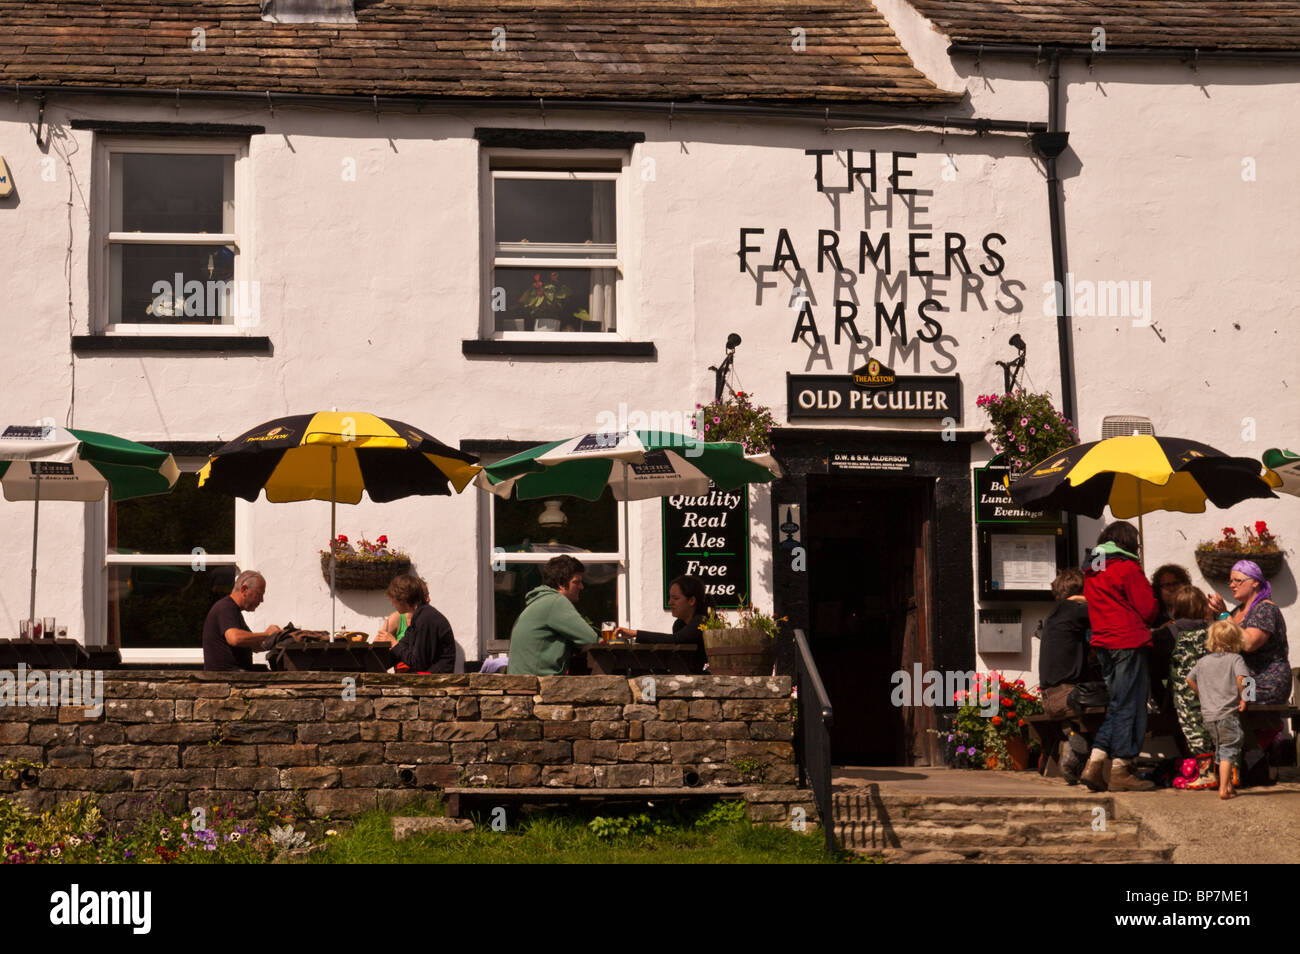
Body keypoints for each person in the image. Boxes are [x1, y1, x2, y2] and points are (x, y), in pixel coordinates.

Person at [1080, 521, 1161, 792]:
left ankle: (1095, 762)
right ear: (1128, 542)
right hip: (1128, 640)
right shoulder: (1127, 567)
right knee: (1130, 705)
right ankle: (1121, 768)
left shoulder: (1092, 568)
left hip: (1103, 642)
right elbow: (1148, 610)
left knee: (1118, 703)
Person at [1209, 559, 1291, 762]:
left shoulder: (1265, 609)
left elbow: (1248, 643)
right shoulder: (1237, 611)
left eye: (1237, 580)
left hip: (1266, 681)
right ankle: (1234, 760)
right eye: (1230, 581)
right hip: (1245, 680)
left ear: (1255, 582)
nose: (1232, 585)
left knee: (1224, 699)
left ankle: (1250, 757)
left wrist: (1223, 615)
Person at [1037, 567, 1094, 785]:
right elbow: (1108, 617)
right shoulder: (1077, 609)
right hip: (1068, 695)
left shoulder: (1056, 614)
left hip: (1050, 696)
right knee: (1118, 706)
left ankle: (1071, 736)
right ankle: (1080, 746)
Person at [1187, 620, 1251, 800]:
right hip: (1227, 714)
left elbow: (1189, 680)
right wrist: (1246, 698)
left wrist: (1202, 694)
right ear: (1236, 640)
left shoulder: (1202, 661)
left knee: (1220, 750)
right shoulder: (1236, 659)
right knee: (1229, 750)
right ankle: (1223, 789)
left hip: (1209, 715)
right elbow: (1243, 678)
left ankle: (1229, 786)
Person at [506, 555, 598, 676]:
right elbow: (591, 639)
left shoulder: (540, 600)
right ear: (561, 583)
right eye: (576, 582)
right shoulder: (556, 602)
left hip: (522, 682)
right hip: (536, 685)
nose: (581, 587)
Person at [1165, 585, 1217, 789]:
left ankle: (1206, 774)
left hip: (1186, 695)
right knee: (1217, 731)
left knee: (1195, 731)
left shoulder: (1170, 631)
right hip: (1215, 691)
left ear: (1175, 608)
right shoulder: (1213, 630)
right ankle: (1226, 773)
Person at [614, 575, 710, 673]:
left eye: (675, 598)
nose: (669, 603)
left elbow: (676, 639)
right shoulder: (679, 624)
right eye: (670, 598)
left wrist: (635, 634)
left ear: (691, 601)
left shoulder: (702, 620)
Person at [373, 574, 455, 673]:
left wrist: (394, 643)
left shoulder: (426, 618)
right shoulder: (419, 617)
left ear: (403, 598)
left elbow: (419, 664)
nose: (392, 604)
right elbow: (401, 650)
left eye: (393, 600)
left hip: (436, 681)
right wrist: (376, 654)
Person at [202, 570, 282, 671]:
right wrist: (267, 634)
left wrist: (278, 639)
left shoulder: (233, 611)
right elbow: (235, 638)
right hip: (226, 678)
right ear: (244, 590)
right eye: (259, 594)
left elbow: (254, 646)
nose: (261, 600)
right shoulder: (225, 608)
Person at [377, 576, 428, 644]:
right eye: (425, 596)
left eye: (428, 595)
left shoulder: (427, 618)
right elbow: (377, 644)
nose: (428, 599)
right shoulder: (397, 617)